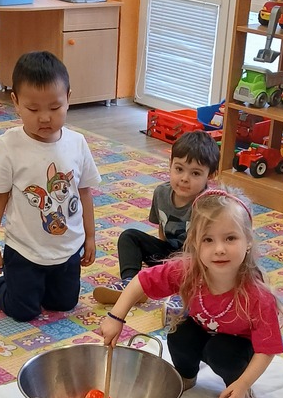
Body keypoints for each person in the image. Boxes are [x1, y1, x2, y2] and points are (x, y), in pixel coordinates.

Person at [99, 192, 283, 398]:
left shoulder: (258, 296)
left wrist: (243, 383)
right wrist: (116, 317)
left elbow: (266, 350)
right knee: (179, 333)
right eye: (208, 240)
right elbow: (141, 281)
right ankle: (186, 376)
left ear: (248, 241)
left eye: (230, 238)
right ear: (195, 243)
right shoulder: (188, 270)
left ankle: (241, 393)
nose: (219, 249)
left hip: (237, 346)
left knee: (221, 351)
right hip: (201, 329)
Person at [0, 51, 100, 321]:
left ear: (68, 98)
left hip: (67, 249)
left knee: (64, 304)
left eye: (54, 108)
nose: (44, 118)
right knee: (23, 311)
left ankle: (38, 287)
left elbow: (84, 193)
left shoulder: (77, 143)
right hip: (24, 250)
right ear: (16, 102)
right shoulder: (10, 145)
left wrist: (89, 237)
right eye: (33, 109)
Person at [93, 130, 221, 305]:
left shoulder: (210, 205)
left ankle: (178, 290)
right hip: (169, 256)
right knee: (129, 236)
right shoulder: (161, 192)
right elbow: (162, 229)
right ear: (170, 165)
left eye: (196, 173)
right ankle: (130, 283)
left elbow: (213, 247)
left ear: (210, 175)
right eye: (179, 169)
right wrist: (164, 259)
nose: (184, 178)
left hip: (196, 263)